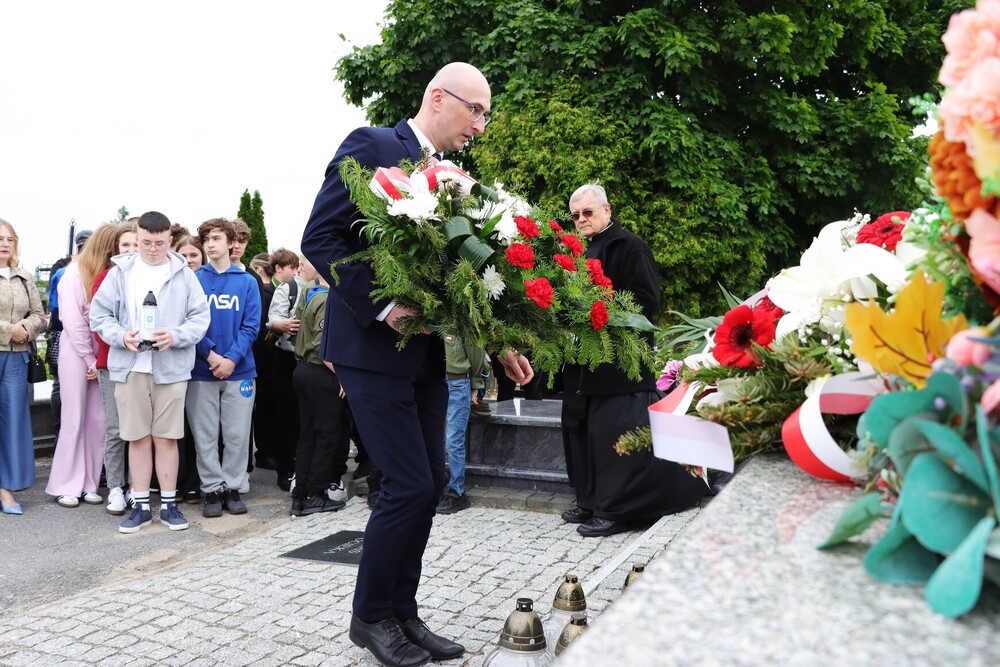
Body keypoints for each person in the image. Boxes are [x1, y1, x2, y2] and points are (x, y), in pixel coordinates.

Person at [302, 61, 532, 667]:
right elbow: (322, 239)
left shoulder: (457, 178)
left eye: (486, 114)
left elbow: (464, 279)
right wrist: (384, 304)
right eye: (475, 111)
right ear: (438, 96)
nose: (480, 126)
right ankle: (371, 617)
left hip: (428, 357)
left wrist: (497, 344)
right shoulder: (373, 145)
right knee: (406, 483)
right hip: (373, 351)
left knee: (428, 483)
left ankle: (403, 613)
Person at [560, 182, 706, 537]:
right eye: (576, 215)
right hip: (581, 363)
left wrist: (599, 309)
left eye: (588, 212)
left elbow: (646, 300)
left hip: (618, 364)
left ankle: (615, 510)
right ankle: (589, 499)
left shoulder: (630, 246)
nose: (581, 219)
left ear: (607, 210)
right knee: (579, 431)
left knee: (612, 436)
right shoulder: (575, 250)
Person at [90, 211, 210, 534]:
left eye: (159, 243)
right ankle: (140, 506)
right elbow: (99, 316)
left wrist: (175, 336)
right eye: (145, 242)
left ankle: (169, 505)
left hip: (171, 368)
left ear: (170, 240)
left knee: (167, 437)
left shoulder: (185, 275)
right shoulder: (120, 272)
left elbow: (200, 319)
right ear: (137, 237)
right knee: (137, 437)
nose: (152, 249)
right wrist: (121, 337)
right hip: (130, 367)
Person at [187, 218, 260, 517]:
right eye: (206, 239)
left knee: (237, 435)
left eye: (217, 238)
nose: (211, 244)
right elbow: (188, 323)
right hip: (201, 371)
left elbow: (251, 325)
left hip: (239, 371)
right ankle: (212, 490)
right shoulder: (193, 280)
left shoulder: (246, 282)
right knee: (204, 435)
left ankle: (233, 487)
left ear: (231, 242)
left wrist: (230, 359)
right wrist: (212, 355)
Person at [46, 224, 118, 507]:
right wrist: (90, 359)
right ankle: (66, 483)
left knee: (98, 420)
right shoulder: (71, 275)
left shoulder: (108, 275)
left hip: (100, 351)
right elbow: (74, 323)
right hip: (77, 351)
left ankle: (89, 482)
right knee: (73, 418)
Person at [289, 269, 347, 516]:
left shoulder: (311, 294)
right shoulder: (326, 299)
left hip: (305, 370)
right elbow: (323, 346)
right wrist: (343, 376)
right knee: (326, 435)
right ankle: (315, 493)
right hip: (319, 372)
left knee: (310, 435)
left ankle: (301, 493)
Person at [0, 218, 47, 515]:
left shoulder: (24, 277)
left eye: (9, 239)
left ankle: (6, 488)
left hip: (17, 358)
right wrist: (7, 330)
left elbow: (40, 314)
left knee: (13, 422)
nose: (4, 243)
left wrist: (24, 330)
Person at [93, 222, 139, 515]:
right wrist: (124, 338)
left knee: (139, 429)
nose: (132, 250)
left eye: (136, 244)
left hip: (143, 364)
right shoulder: (106, 277)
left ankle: (137, 486)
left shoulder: (152, 278)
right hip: (112, 362)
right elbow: (98, 324)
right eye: (126, 245)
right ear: (116, 249)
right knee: (115, 428)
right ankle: (115, 488)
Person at [46, 229, 91, 444]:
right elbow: (56, 306)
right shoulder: (65, 267)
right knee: (60, 385)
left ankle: (61, 434)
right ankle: (59, 432)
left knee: (61, 387)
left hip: (68, 331)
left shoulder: (64, 266)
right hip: (64, 332)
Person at [266, 248, 303, 491]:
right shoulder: (289, 288)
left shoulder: (330, 285)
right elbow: (272, 321)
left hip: (319, 363)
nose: (299, 268)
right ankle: (286, 470)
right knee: (287, 418)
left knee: (312, 419)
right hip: (288, 359)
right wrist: (283, 324)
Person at [438, 333, 486, 514]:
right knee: (436, 436)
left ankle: (456, 491)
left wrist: (475, 385)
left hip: (458, 382)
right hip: (435, 381)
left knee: (453, 438)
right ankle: (438, 481)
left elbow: (475, 351)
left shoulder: (459, 320)